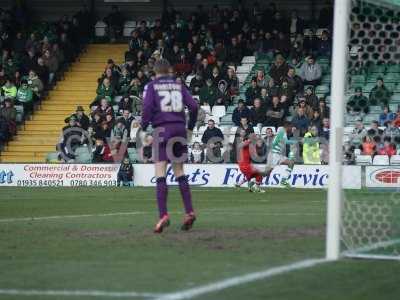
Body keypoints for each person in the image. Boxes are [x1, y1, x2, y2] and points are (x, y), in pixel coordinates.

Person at [140, 59, 198, 233]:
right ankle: (189, 211)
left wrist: (143, 129)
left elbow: (147, 108)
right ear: (169, 70)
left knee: (160, 172)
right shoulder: (178, 85)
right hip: (180, 129)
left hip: (162, 130)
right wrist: (189, 128)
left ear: (155, 72)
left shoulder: (152, 86)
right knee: (179, 171)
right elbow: (194, 107)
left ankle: (163, 215)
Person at [264, 121, 296, 187]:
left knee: (291, 163)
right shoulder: (282, 132)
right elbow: (285, 141)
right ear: (287, 127)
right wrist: (295, 141)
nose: (291, 128)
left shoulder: (283, 133)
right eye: (290, 127)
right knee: (267, 172)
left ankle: (283, 180)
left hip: (279, 155)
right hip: (274, 155)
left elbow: (279, 142)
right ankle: (253, 181)